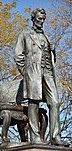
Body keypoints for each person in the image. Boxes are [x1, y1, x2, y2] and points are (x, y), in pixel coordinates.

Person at [15, 8, 69, 146]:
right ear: (33, 18)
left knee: (55, 102)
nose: (41, 21)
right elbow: (18, 55)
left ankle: (55, 137)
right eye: (39, 19)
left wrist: (53, 50)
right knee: (34, 103)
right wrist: (26, 72)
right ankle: (35, 137)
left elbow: (51, 59)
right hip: (33, 72)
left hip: (48, 73)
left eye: (43, 19)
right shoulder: (25, 34)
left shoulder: (46, 36)